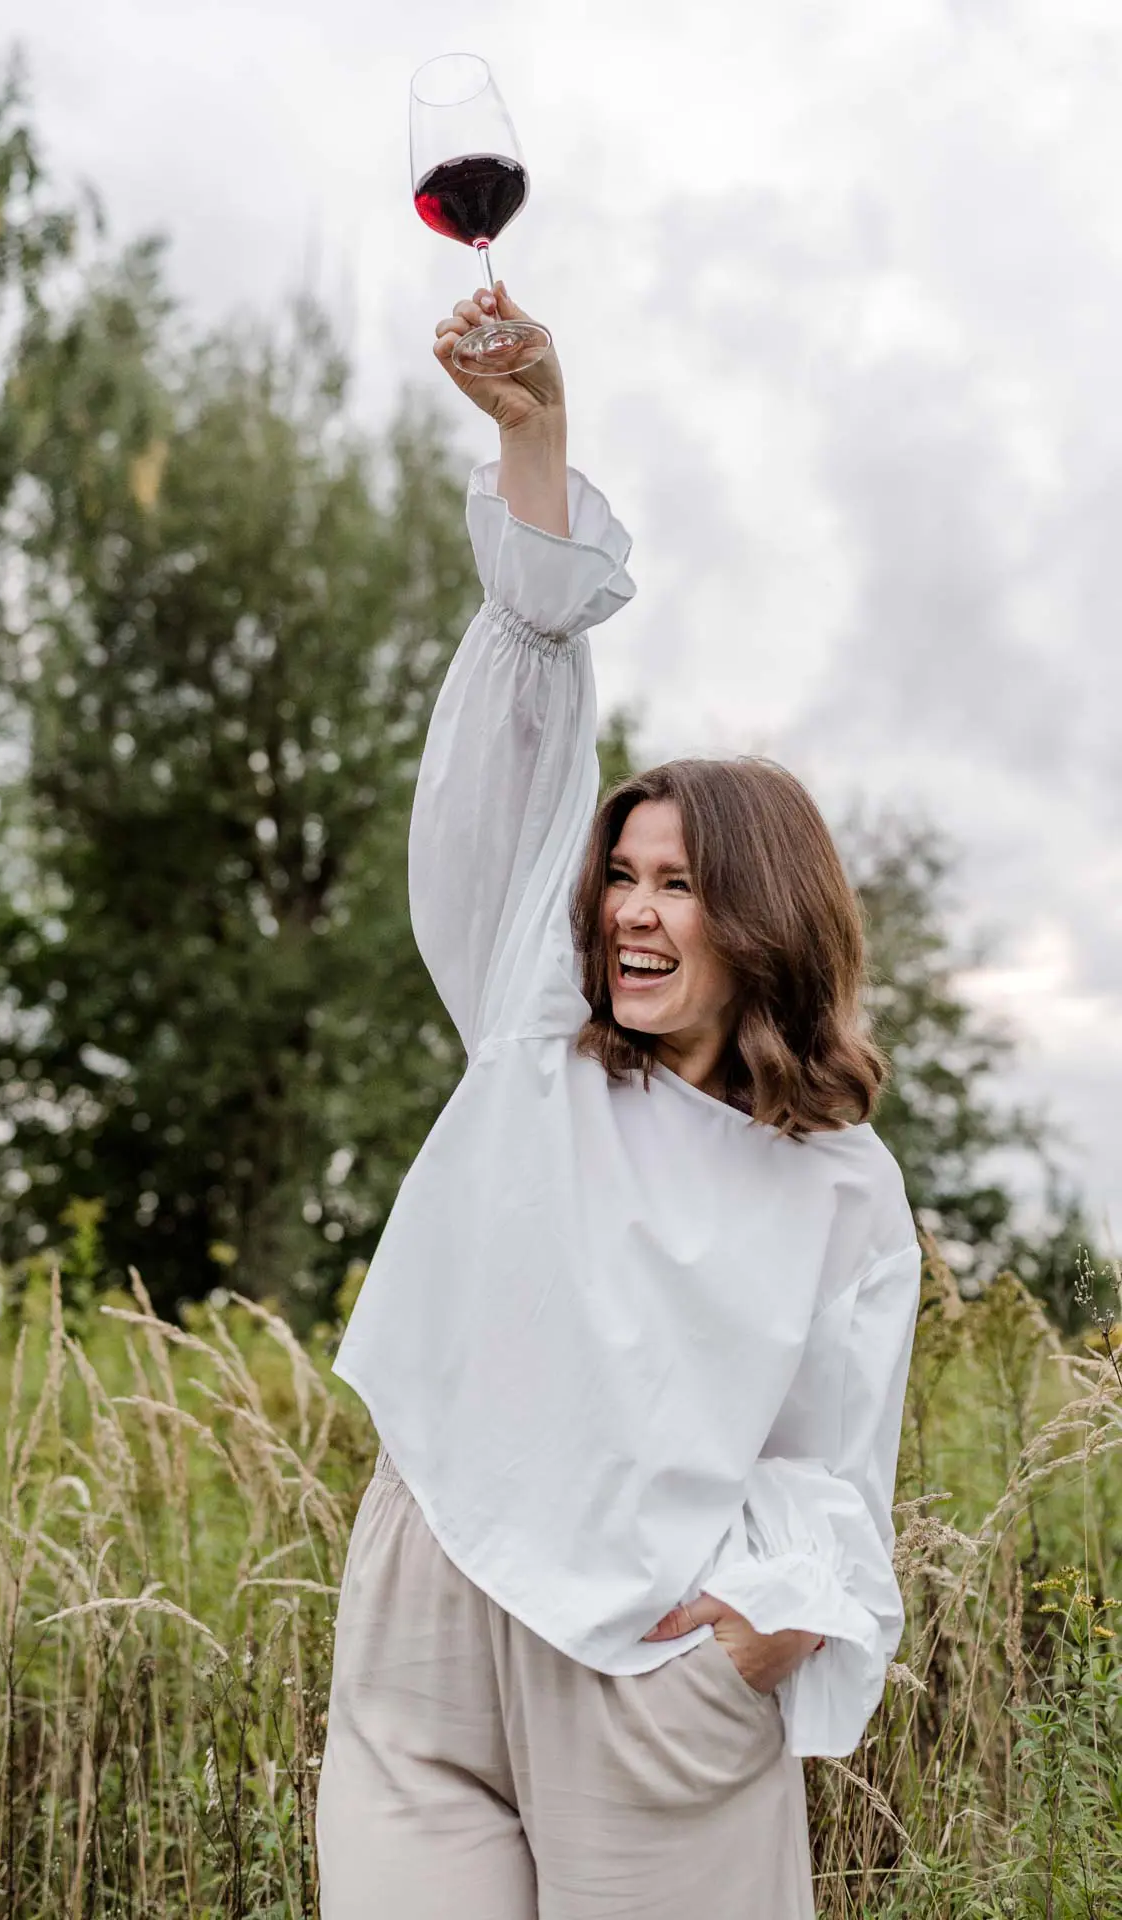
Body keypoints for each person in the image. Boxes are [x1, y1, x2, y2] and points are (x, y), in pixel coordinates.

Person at [314, 283, 922, 1920]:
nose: (632, 911)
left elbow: (830, 1457)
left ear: (767, 921)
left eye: (682, 886)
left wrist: (760, 1638)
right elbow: (522, 705)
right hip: (431, 1602)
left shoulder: (840, 1187)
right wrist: (534, 437)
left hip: (653, 1662)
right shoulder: (536, 1033)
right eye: (622, 876)